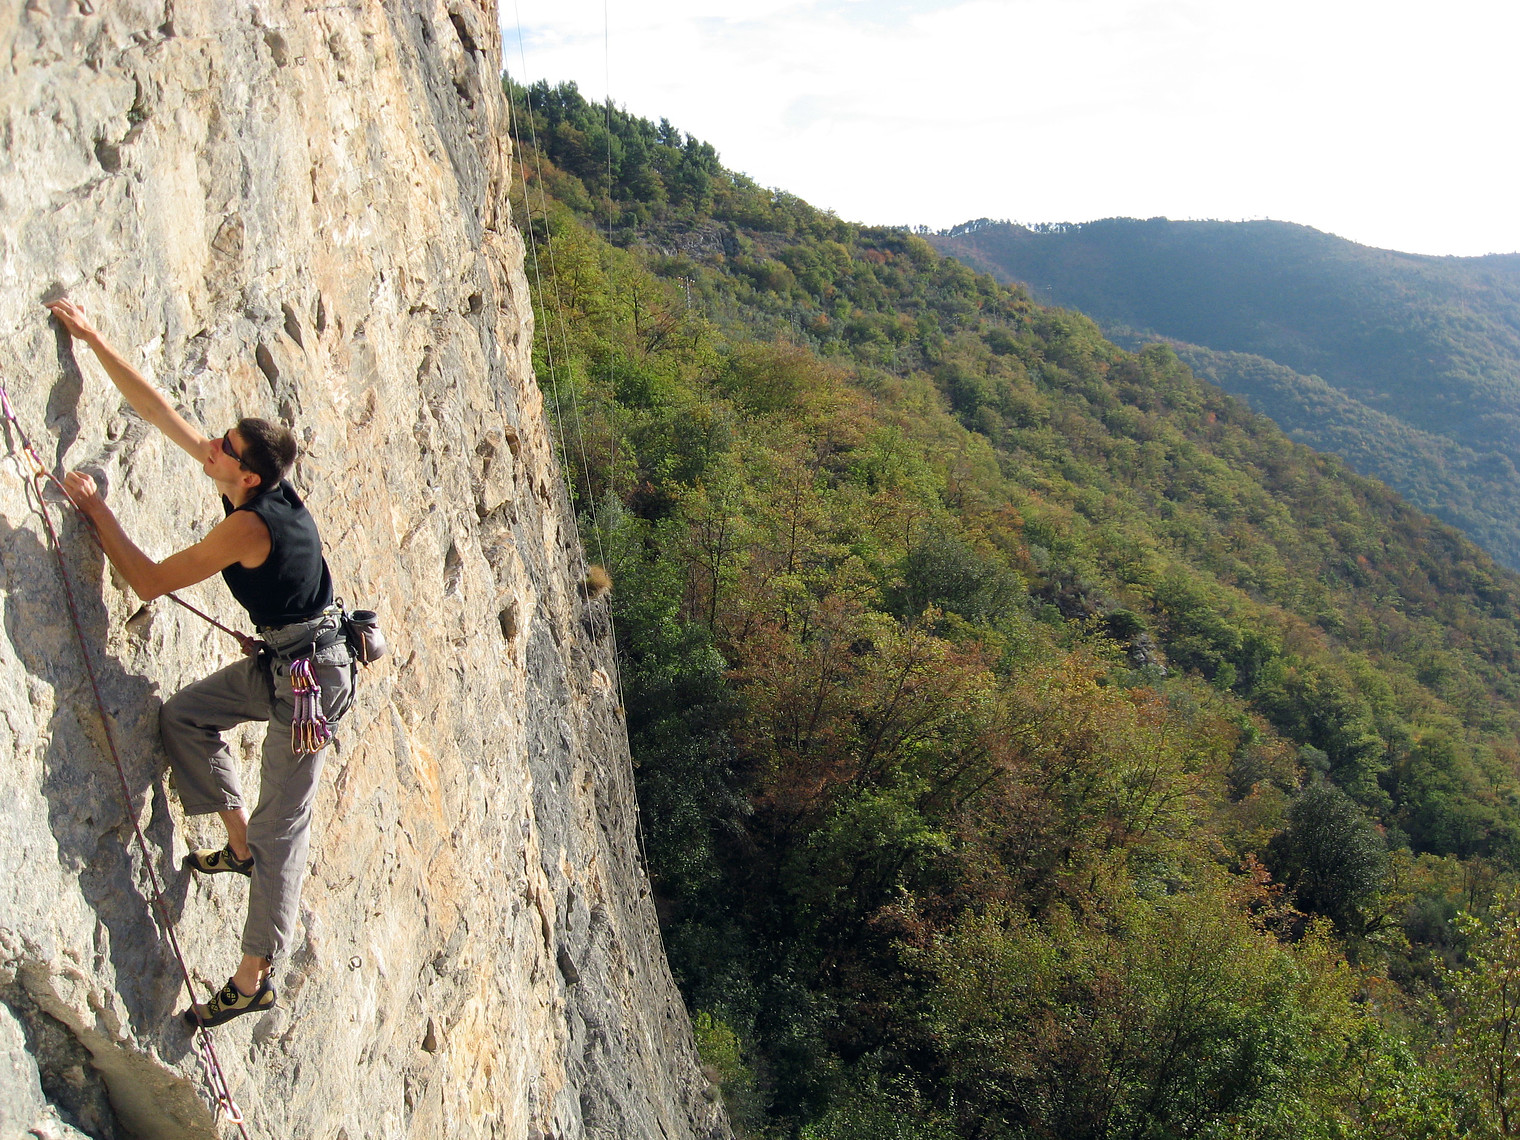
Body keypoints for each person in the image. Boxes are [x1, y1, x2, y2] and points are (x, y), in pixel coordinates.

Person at [46, 299, 353, 1029]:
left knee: (284, 830)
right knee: (184, 718)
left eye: (224, 446)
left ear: (248, 476)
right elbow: (160, 413)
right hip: (288, 658)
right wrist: (94, 339)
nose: (210, 447)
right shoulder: (254, 485)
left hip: (310, 686)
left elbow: (149, 582)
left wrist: (97, 513)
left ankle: (253, 978)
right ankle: (238, 845)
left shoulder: (249, 525)